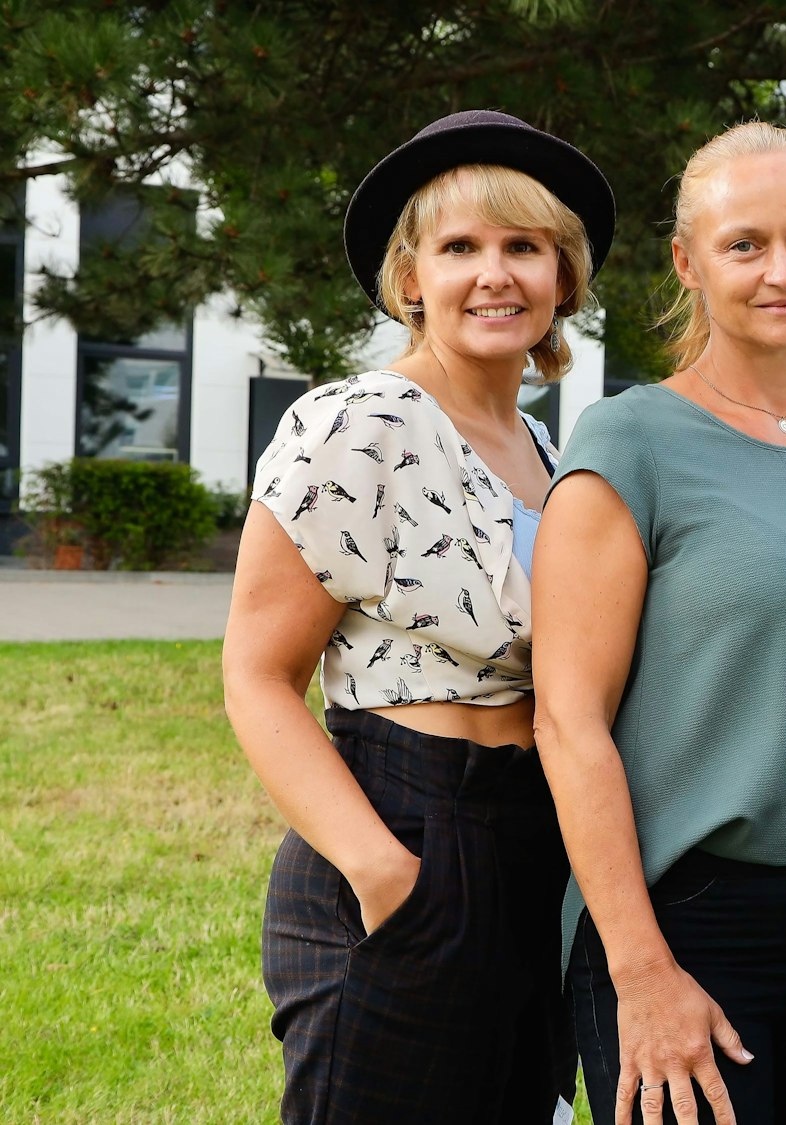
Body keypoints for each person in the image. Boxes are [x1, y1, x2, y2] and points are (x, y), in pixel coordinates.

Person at [531, 122, 786, 1125]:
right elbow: (568, 723)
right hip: (684, 915)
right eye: (744, 244)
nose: (781, 270)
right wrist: (639, 968)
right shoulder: (631, 442)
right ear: (688, 262)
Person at [221, 109, 615, 1123]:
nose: (495, 275)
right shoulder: (358, 423)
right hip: (407, 821)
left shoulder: (547, 451)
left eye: (524, 247)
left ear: (563, 277)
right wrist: (382, 870)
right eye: (460, 248)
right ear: (409, 279)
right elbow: (258, 675)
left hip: (533, 842)